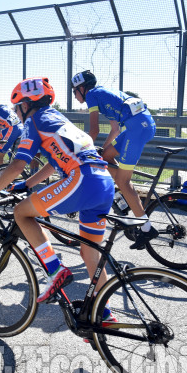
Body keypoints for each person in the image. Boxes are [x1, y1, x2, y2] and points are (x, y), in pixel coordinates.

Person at [0, 77, 117, 324]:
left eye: (17, 107)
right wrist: (28, 184)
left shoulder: (34, 121)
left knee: (21, 212)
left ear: (26, 104)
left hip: (82, 179)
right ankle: (104, 315)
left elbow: (18, 163)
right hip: (103, 181)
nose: (16, 112)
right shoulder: (58, 118)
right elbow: (53, 161)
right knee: (89, 252)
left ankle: (54, 269)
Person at [71, 70, 158, 250]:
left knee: (122, 181)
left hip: (137, 128)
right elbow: (114, 129)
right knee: (106, 156)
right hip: (139, 124)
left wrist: (80, 151)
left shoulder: (92, 96)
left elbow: (93, 130)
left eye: (74, 91)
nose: (74, 95)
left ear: (82, 88)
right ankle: (124, 194)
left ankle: (146, 228)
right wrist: (102, 149)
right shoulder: (103, 96)